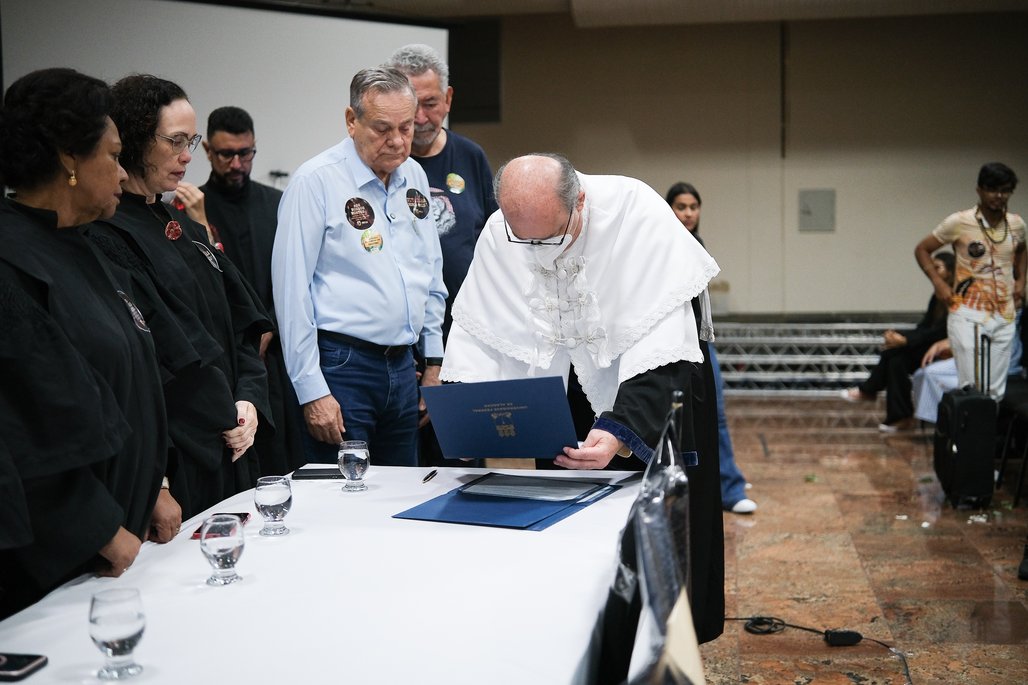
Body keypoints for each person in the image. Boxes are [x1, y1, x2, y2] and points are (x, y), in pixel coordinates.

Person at [441, 153, 724, 643]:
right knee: (570, 534)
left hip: (650, 397)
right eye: (521, 237)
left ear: (580, 203)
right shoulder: (502, 229)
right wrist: (469, 412)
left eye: (548, 235)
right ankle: (574, 636)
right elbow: (479, 332)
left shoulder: (636, 212)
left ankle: (651, 643)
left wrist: (619, 429)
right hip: (566, 401)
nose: (534, 248)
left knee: (650, 539)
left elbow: (661, 337)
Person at [0, 68, 167, 618]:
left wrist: (156, 485)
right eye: (113, 157)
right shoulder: (13, 262)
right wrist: (99, 530)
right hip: (68, 561)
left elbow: (133, 379)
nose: (123, 174)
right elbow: (23, 426)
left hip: (123, 536)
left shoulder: (85, 245)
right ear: (70, 159)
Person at [84, 75, 272, 521]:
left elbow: (243, 321)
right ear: (130, 140)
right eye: (174, 141)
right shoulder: (106, 236)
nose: (188, 155)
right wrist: (224, 413)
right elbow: (163, 354)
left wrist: (249, 399)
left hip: (234, 437)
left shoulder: (184, 225)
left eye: (191, 140)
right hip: (185, 449)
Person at [272, 67, 446, 467]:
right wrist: (311, 389)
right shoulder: (315, 182)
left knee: (401, 497)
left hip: (405, 366)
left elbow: (430, 276)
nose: (399, 141)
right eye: (383, 128)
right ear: (352, 121)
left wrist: (433, 363)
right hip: (341, 366)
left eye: (405, 127)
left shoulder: (414, 175)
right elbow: (291, 294)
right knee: (343, 501)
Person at [387, 43, 498, 466]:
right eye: (410, 106)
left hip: (464, 345)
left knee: (464, 467)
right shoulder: (384, 166)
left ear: (448, 99)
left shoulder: (470, 157)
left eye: (430, 104)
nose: (419, 118)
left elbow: (494, 246)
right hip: (399, 348)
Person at [197, 106, 305, 477]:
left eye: (246, 154)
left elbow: (294, 278)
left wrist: (270, 325)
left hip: (275, 350)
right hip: (224, 350)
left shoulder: (276, 204)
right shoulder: (191, 209)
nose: (238, 163)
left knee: (283, 454)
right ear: (209, 151)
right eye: (227, 154)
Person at [666, 181, 757, 513]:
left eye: (693, 207)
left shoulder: (697, 244)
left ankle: (729, 489)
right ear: (669, 209)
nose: (688, 213)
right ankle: (688, 489)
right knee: (676, 419)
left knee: (714, 417)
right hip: (673, 347)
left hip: (702, 344)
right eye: (681, 206)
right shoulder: (663, 246)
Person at [915, 163, 1026, 400]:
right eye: (992, 189)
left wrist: (1021, 281)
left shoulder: (1016, 224)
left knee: (995, 391)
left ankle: (985, 435)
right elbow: (922, 249)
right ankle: (965, 436)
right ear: (979, 190)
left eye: (1005, 190)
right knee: (971, 386)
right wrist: (939, 283)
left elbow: (1023, 248)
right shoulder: (959, 222)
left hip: (1004, 312)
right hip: (968, 310)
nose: (998, 196)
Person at [842, 252, 955, 431]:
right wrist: (899, 336)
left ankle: (870, 391)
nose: (932, 271)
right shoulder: (937, 296)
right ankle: (899, 416)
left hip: (946, 351)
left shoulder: (954, 296)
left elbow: (939, 332)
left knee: (895, 353)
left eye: (938, 267)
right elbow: (925, 327)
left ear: (951, 271)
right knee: (896, 360)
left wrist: (904, 340)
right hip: (927, 346)